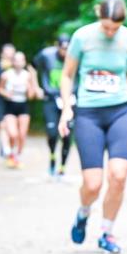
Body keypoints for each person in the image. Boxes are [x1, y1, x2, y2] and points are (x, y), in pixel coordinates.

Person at [59, 0, 127, 254]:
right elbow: (67, 74)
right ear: (98, 16)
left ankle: (107, 232)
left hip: (119, 113)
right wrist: (66, 109)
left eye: (115, 28)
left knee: (118, 176)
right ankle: (83, 213)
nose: (110, 32)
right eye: (106, 27)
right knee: (92, 184)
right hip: (88, 115)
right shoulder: (82, 37)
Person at [34, 34, 75, 178]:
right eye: (63, 48)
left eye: (68, 48)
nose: (65, 51)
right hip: (51, 98)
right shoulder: (46, 55)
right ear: (57, 46)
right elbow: (31, 66)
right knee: (52, 133)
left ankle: (62, 167)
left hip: (70, 99)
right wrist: (36, 87)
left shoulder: (75, 57)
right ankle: (52, 156)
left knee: (67, 134)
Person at [0, 51, 39, 168]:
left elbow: (31, 96)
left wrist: (29, 87)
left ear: (24, 62)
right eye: (16, 60)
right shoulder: (6, 75)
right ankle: (11, 153)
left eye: (21, 60)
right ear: (12, 62)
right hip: (10, 106)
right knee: (13, 134)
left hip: (23, 106)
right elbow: (0, 90)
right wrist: (6, 94)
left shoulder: (27, 76)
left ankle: (18, 155)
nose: (19, 63)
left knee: (22, 134)